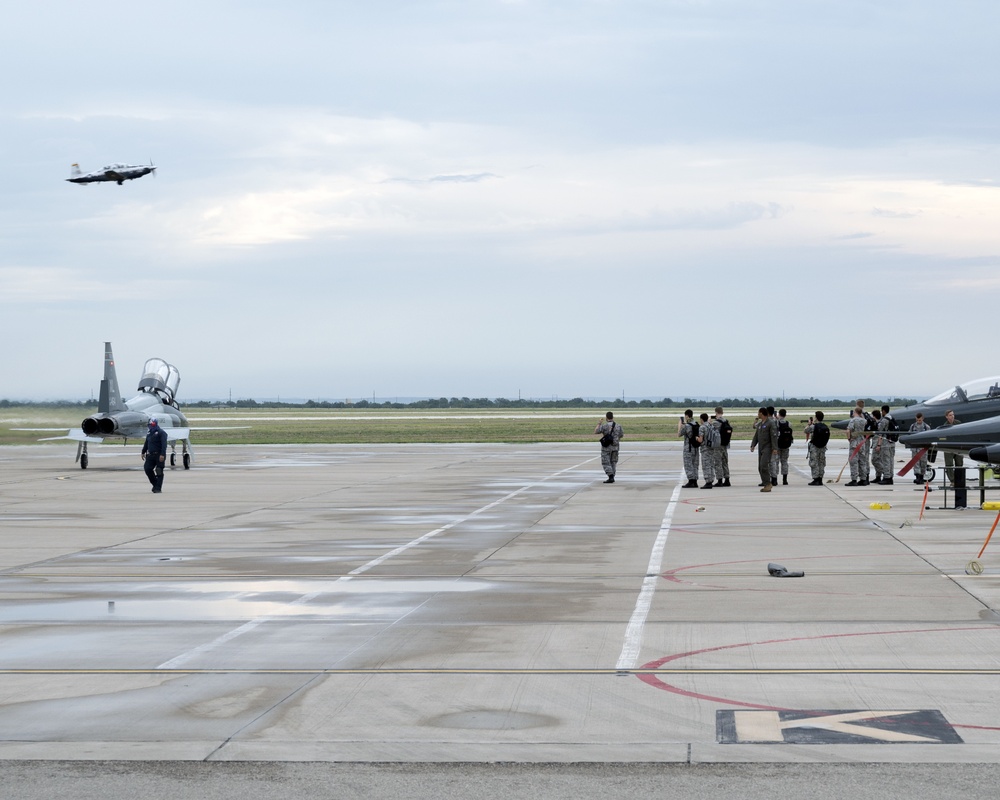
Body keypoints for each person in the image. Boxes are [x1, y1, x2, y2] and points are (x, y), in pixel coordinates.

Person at [750, 407, 778, 492]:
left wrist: (775, 448)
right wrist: (753, 445)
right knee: (760, 467)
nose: (758, 414)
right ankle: (765, 483)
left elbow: (774, 436)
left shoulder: (771, 423)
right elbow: (756, 435)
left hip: (768, 447)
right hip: (761, 447)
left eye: (759, 413)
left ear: (762, 414)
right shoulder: (760, 424)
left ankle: (768, 484)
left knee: (764, 466)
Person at [594, 412, 623, 484]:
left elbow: (596, 431)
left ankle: (610, 476)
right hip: (615, 446)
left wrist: (599, 423)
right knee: (613, 462)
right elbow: (621, 435)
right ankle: (612, 475)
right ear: (613, 417)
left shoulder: (604, 426)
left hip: (606, 447)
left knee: (605, 462)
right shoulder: (618, 426)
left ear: (606, 418)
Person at [141, 416, 168, 493]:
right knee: (147, 469)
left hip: (159, 454)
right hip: (150, 455)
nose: (150, 426)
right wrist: (143, 451)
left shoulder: (161, 433)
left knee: (159, 470)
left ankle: (158, 488)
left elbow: (164, 444)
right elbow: (146, 443)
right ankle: (155, 483)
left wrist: (162, 454)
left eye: (151, 425)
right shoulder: (149, 433)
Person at [804, 411, 830, 485]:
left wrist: (809, 424)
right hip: (823, 447)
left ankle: (816, 479)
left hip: (815, 447)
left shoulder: (813, 426)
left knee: (814, 462)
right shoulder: (825, 427)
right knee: (821, 462)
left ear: (816, 417)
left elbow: (805, 431)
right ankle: (820, 478)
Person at [939, 409, 964, 485]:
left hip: (958, 446)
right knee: (949, 464)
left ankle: (959, 479)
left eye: (953, 414)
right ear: (946, 417)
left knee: (959, 463)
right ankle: (952, 480)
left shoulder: (958, 423)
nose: (952, 416)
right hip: (948, 447)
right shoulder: (944, 426)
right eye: (950, 415)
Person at [845, 407, 867, 486]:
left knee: (853, 461)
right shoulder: (864, 421)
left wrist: (849, 438)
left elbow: (848, 430)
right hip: (862, 443)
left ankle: (854, 479)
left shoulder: (853, 420)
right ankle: (863, 479)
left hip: (854, 443)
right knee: (862, 462)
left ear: (855, 412)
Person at [678, 409, 700, 488]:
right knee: (695, 464)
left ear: (687, 416)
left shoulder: (687, 426)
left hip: (688, 448)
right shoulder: (696, 424)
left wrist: (680, 424)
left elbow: (679, 434)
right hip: (696, 448)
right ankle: (695, 481)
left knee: (688, 464)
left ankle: (691, 481)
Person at [909, 412, 931, 484]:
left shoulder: (926, 427)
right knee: (916, 463)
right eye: (917, 420)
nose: (918, 421)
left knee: (923, 463)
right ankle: (917, 477)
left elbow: (929, 436)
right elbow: (909, 435)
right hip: (915, 448)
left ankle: (921, 477)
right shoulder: (912, 426)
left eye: (920, 420)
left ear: (922, 419)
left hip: (923, 449)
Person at [878, 404, 898, 485]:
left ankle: (886, 477)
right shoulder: (892, 418)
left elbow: (880, 429)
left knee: (886, 460)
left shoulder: (885, 419)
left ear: (883, 411)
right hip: (892, 442)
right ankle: (890, 477)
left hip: (886, 442)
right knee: (891, 460)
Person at [713, 407, 732, 487]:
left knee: (718, 462)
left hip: (718, 445)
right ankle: (727, 479)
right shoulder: (726, 421)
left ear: (716, 412)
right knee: (725, 462)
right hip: (725, 445)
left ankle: (719, 480)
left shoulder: (716, 423)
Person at [697, 412, 716, 489]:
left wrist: (696, 438)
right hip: (711, 447)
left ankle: (708, 481)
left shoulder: (702, 427)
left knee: (706, 465)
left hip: (705, 448)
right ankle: (711, 480)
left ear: (701, 419)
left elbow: (700, 440)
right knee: (711, 464)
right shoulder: (711, 426)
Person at [775, 408, 794, 485]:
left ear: (779, 414)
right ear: (785, 415)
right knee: (784, 462)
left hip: (777, 444)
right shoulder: (789, 423)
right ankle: (785, 480)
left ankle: (774, 479)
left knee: (776, 462)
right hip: (786, 445)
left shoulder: (776, 423)